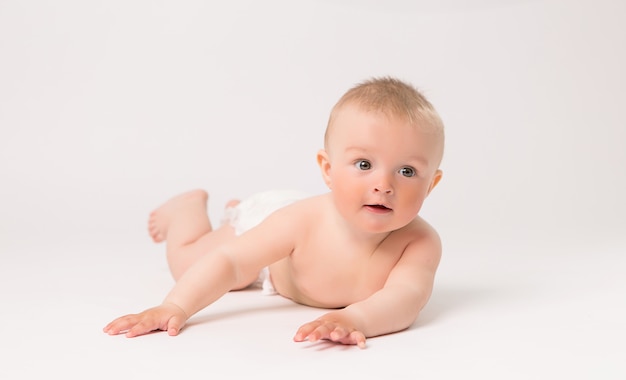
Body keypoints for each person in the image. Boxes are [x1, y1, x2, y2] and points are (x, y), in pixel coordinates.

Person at [103, 76, 445, 349]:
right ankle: (187, 211)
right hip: (269, 220)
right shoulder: (303, 221)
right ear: (328, 170)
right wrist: (174, 307)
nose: (383, 185)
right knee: (189, 264)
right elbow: (231, 261)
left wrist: (356, 319)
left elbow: (406, 297)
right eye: (364, 164)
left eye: (407, 172)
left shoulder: (419, 242)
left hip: (284, 227)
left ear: (431, 185)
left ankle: (231, 209)